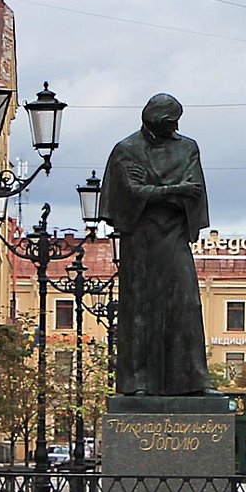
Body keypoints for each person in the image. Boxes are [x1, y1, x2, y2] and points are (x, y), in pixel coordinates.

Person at [99, 93, 215, 396]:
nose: (174, 128)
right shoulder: (127, 150)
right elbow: (130, 193)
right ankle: (135, 381)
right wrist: (172, 191)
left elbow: (195, 190)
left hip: (174, 234)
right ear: (154, 122)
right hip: (140, 238)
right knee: (139, 308)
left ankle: (194, 381)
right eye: (169, 123)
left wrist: (155, 193)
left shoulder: (187, 147)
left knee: (187, 304)